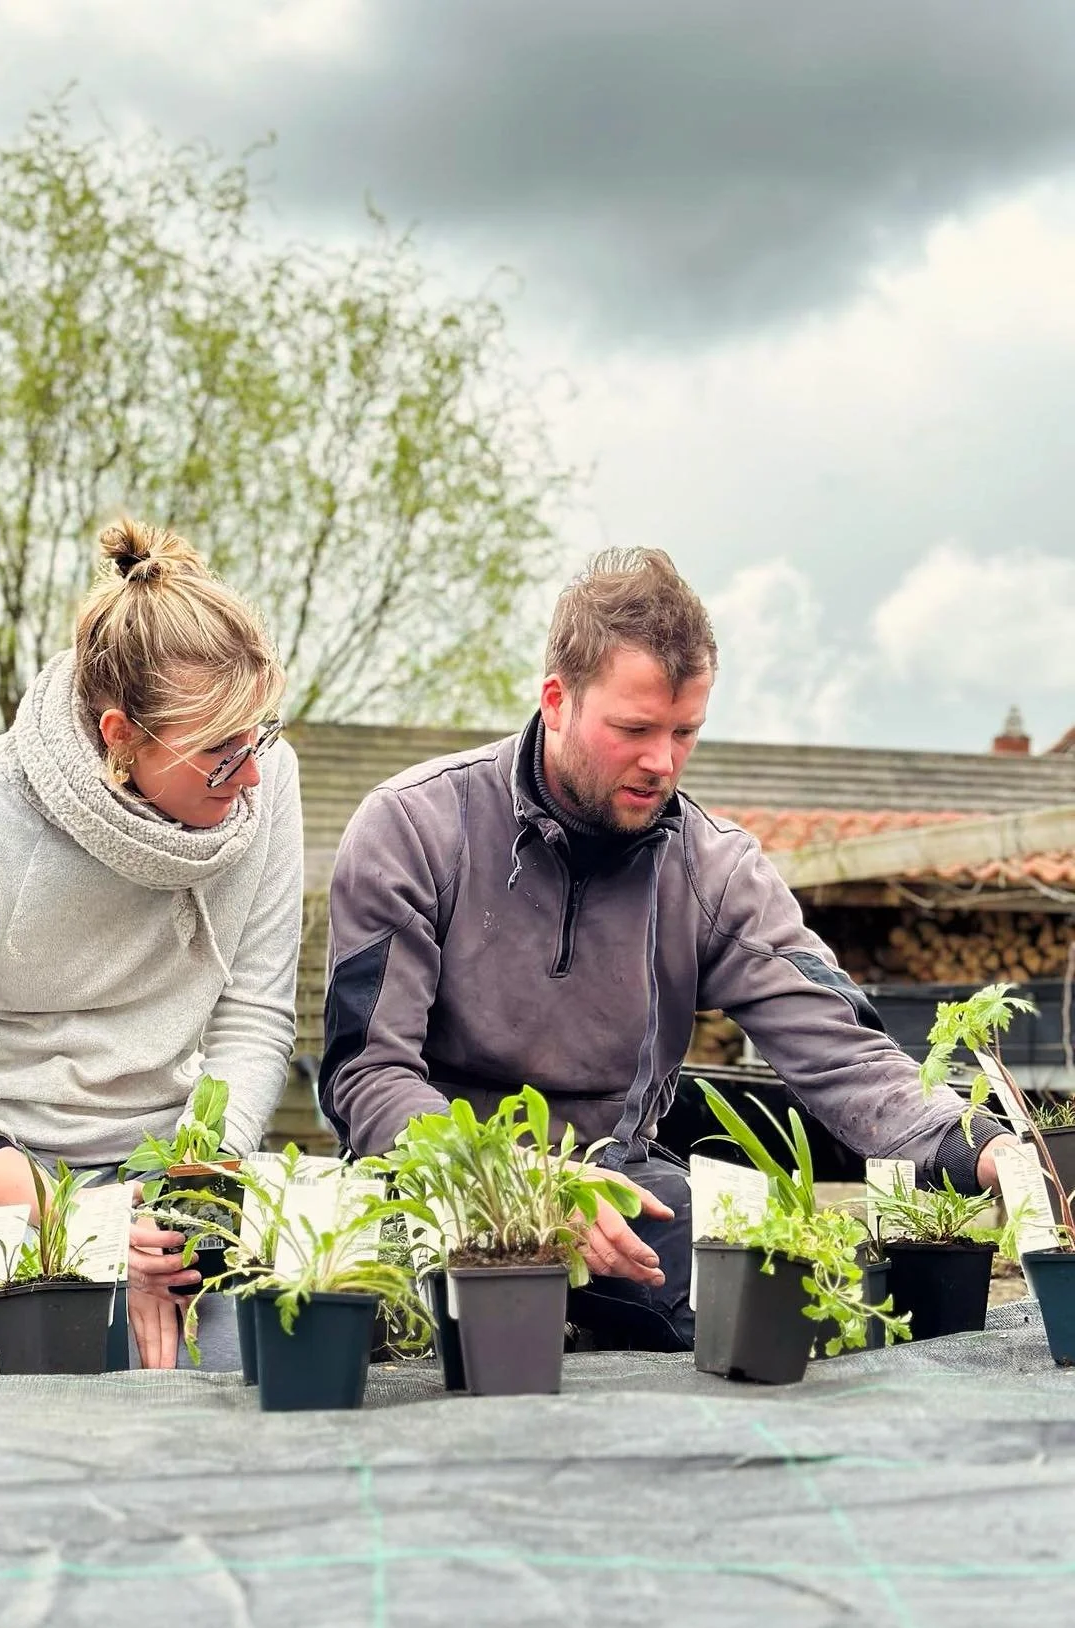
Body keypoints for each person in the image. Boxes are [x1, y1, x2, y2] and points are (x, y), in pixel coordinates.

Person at [318, 547, 1017, 1349]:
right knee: (399, 1322)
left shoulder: (714, 872)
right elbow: (367, 1075)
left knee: (789, 1308)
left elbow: (843, 1050)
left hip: (623, 1190)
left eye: (686, 732)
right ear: (557, 700)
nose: (663, 762)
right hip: (432, 1191)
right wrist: (518, 1186)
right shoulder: (414, 828)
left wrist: (985, 1146)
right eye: (635, 729)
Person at [0, 519, 303, 1369]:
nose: (250, 773)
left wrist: (182, 1209)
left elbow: (252, 1020)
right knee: (71, 1369)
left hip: (167, 1163)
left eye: (260, 735)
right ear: (119, 735)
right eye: (219, 752)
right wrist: (93, 1228)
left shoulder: (262, 783)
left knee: (245, 1370)